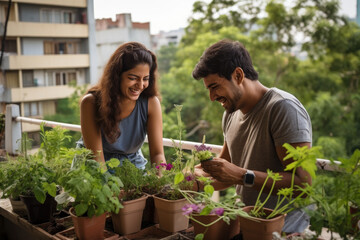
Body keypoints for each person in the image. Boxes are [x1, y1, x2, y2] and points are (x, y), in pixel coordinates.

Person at [192, 39, 313, 233]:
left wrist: (242, 175)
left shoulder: (283, 108)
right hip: (248, 224)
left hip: (286, 229)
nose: (212, 97)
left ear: (238, 75)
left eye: (215, 86)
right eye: (208, 89)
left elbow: (303, 185)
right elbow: (226, 175)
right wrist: (191, 182)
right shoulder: (230, 113)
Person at [77, 42, 166, 170]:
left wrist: (161, 180)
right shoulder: (90, 103)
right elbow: (96, 159)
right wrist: (110, 189)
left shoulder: (151, 103)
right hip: (94, 166)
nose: (140, 85)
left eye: (145, 79)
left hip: (132, 166)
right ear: (117, 76)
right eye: (133, 78)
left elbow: (158, 154)